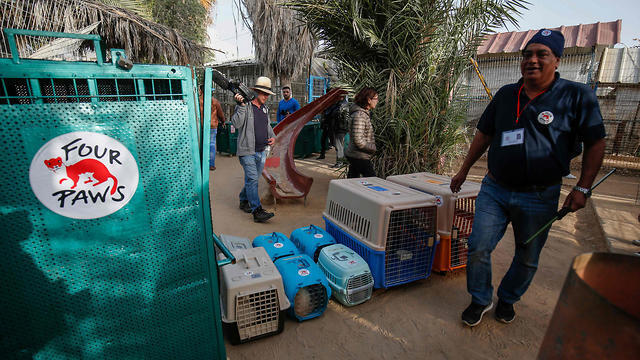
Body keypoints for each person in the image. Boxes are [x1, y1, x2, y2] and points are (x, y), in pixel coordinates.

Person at [450, 29, 606, 327]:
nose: (532, 60)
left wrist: (583, 187)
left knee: (527, 254)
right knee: (478, 246)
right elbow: (484, 134)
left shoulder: (576, 96)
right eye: (527, 54)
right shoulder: (508, 94)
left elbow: (596, 142)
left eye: (541, 54)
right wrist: (464, 169)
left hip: (539, 195)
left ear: (557, 60)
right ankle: (480, 299)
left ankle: (507, 299)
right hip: (494, 189)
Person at [230, 76, 277, 223]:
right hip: (247, 151)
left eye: (267, 94)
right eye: (263, 93)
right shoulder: (245, 105)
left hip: (261, 150)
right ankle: (257, 211)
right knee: (252, 179)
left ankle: (243, 200)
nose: (266, 96)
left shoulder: (264, 108)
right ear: (255, 92)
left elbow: (267, 125)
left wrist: (273, 136)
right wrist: (242, 107)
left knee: (253, 180)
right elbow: (236, 124)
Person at [345, 87, 379, 178]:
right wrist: (373, 148)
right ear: (369, 100)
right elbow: (358, 140)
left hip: (355, 154)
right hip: (359, 155)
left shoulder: (362, 113)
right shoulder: (359, 116)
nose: (377, 101)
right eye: (376, 99)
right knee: (372, 179)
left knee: (352, 180)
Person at [199, 86, 226, 171]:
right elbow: (220, 114)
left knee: (201, 144)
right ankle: (211, 165)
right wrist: (223, 121)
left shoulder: (198, 100)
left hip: (201, 125)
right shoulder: (214, 101)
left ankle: (201, 164)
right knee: (211, 145)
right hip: (212, 125)